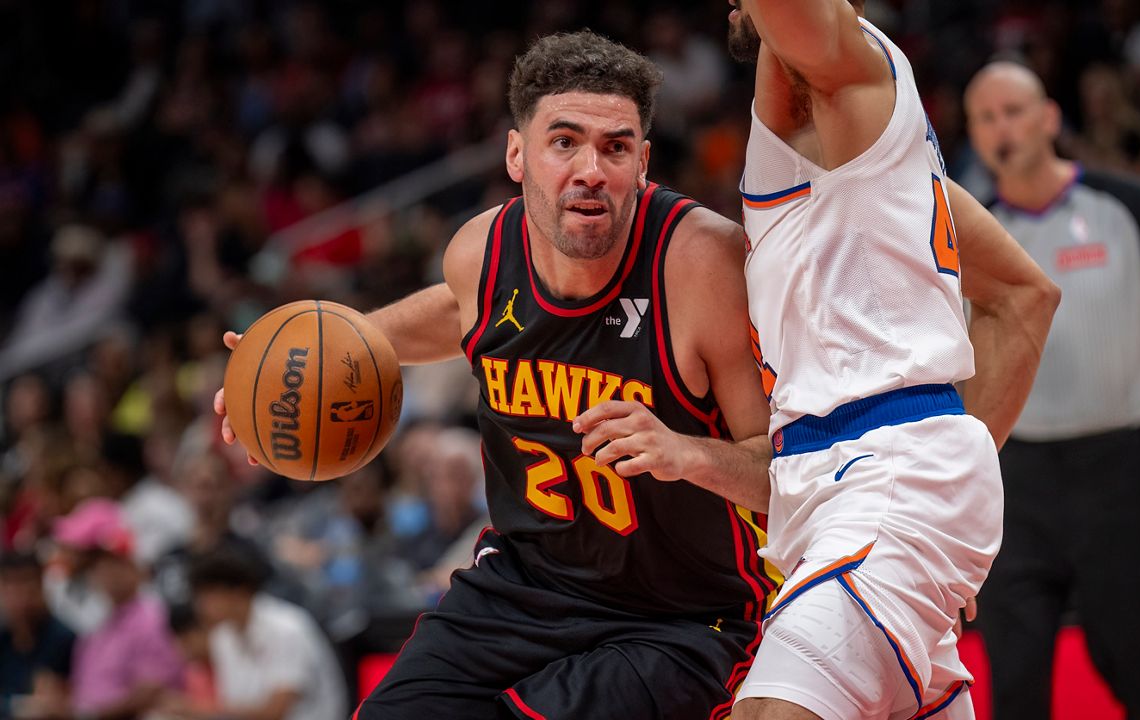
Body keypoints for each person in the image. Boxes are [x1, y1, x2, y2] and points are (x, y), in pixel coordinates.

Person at [219, 30, 780, 720]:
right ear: (517, 154)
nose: (591, 169)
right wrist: (286, 368)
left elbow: (785, 478)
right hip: (527, 586)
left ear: (643, 162)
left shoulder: (700, 266)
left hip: (685, 614)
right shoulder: (481, 252)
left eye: (616, 146)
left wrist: (689, 454)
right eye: (564, 141)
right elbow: (457, 312)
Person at [723, 2, 1060, 719]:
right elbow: (1026, 296)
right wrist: (948, 505)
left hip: (887, 479)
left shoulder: (849, 69)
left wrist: (929, 502)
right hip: (856, 488)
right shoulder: (878, 165)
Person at [964, 60, 1140, 720]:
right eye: (986, 116)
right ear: (972, 133)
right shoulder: (964, 233)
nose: (1002, 127)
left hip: (1121, 476)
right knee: (1016, 686)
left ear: (1049, 118)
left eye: (1014, 110)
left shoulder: (1127, 205)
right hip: (1014, 481)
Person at [158, 548, 348, 720]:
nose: (200, 608)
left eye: (207, 597)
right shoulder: (222, 637)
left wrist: (201, 710)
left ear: (238, 592)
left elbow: (276, 712)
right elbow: (237, 707)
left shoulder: (287, 628)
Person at [54, 498, 185, 719]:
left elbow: (152, 693)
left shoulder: (153, 617)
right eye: (91, 566)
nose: (96, 574)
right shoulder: (100, 622)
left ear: (127, 562)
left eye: (101, 563)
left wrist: (85, 714)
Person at [0, 552, 75, 718]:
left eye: (25, 582)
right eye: (10, 584)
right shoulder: (4, 638)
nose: (19, 594)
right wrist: (17, 706)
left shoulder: (65, 640)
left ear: (41, 585)